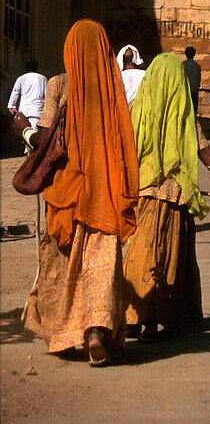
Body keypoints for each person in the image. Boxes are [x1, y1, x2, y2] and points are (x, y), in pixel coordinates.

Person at [12, 20, 138, 365]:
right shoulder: (114, 91)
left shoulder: (59, 85)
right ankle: (96, 330)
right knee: (100, 263)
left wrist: (23, 130)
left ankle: (64, 333)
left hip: (66, 191)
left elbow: (46, 140)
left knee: (63, 264)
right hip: (105, 192)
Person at [123, 51, 210, 341]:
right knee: (168, 257)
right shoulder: (185, 113)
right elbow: (205, 152)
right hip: (176, 197)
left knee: (139, 254)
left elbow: (122, 149)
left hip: (142, 194)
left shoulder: (134, 108)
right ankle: (155, 320)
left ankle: (134, 316)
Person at [8, 58, 47, 139]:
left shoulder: (21, 78)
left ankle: (28, 150)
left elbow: (15, 92)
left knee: (25, 135)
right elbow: (46, 95)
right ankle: (32, 151)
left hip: (24, 111)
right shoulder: (42, 78)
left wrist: (11, 106)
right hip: (37, 110)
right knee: (34, 135)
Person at [182, 46, 201, 112]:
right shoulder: (197, 66)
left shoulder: (182, 65)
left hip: (185, 89)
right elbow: (198, 78)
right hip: (194, 89)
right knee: (193, 107)